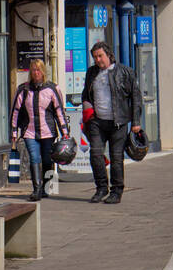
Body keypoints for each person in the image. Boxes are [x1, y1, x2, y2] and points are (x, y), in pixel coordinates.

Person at [80, 41, 142, 204]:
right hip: (97, 122)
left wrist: (136, 122)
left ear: (109, 55)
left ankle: (116, 191)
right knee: (96, 154)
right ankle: (101, 188)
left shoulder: (125, 72)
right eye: (95, 57)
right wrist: (88, 111)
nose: (98, 60)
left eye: (100, 56)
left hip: (118, 122)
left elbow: (136, 97)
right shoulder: (91, 73)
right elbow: (85, 95)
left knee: (116, 157)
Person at [9, 59, 69, 201]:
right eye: (33, 70)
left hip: (48, 132)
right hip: (29, 131)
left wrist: (64, 131)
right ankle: (36, 189)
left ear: (43, 72)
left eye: (38, 70)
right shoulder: (23, 89)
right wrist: (14, 131)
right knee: (34, 158)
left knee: (47, 159)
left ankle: (47, 188)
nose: (36, 73)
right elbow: (15, 111)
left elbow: (59, 111)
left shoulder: (52, 88)